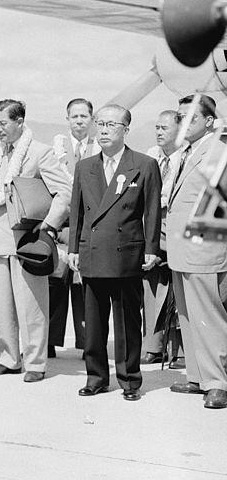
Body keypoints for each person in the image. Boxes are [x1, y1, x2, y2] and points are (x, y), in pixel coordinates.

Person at [68, 105, 161, 401]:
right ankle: (96, 377)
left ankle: (130, 380)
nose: (104, 129)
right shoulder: (85, 167)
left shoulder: (144, 165)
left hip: (126, 255)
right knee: (93, 325)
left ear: (126, 130)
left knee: (127, 322)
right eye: (100, 123)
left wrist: (151, 249)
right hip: (93, 254)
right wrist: (73, 249)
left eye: (111, 124)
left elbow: (152, 211)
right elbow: (77, 213)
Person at [0, 99, 70, 382]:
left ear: (20, 122)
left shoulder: (40, 152)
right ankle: (8, 359)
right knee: (3, 307)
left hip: (28, 242)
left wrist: (48, 227)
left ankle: (35, 363)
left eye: (3, 123)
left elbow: (65, 193)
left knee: (31, 305)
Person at [165, 94, 227, 409]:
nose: (183, 123)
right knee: (188, 315)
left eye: (190, 117)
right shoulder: (187, 153)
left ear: (209, 121)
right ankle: (197, 376)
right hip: (181, 249)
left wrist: (201, 248)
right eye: (180, 116)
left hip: (202, 250)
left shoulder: (217, 151)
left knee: (208, 317)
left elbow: (216, 207)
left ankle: (217, 383)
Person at [49, 98, 98, 356]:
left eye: (84, 117)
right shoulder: (56, 148)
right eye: (74, 116)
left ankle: (87, 343)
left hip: (89, 229)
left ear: (92, 119)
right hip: (63, 227)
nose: (79, 121)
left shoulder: (100, 147)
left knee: (85, 289)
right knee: (55, 284)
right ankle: (48, 342)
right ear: (67, 119)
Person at [141, 109, 181, 363]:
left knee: (178, 290)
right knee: (150, 285)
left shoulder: (187, 159)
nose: (158, 132)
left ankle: (181, 350)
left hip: (177, 229)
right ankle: (153, 346)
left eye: (164, 127)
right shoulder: (150, 158)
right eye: (156, 127)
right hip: (152, 227)